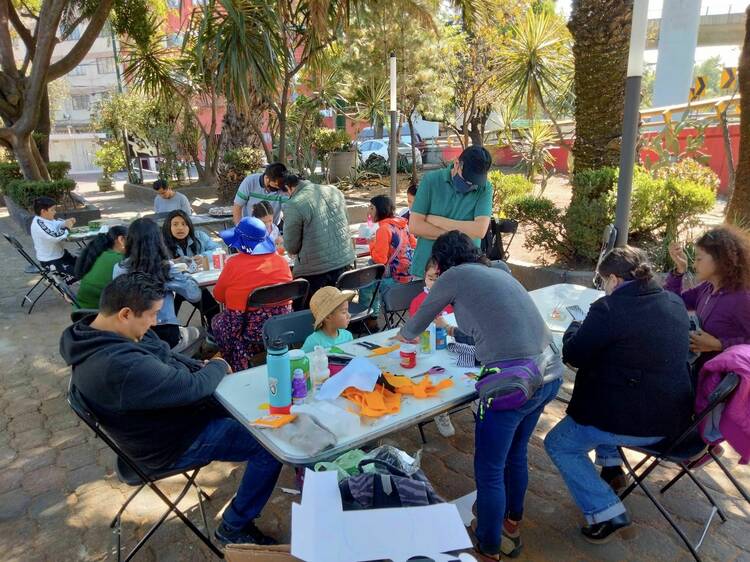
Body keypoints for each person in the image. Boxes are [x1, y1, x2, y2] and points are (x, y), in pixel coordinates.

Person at [59, 272, 282, 546]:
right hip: (169, 443)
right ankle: (234, 526)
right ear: (125, 313)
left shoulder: (95, 331)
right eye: (152, 314)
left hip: (162, 423)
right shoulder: (119, 365)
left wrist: (197, 369)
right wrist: (217, 365)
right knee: (269, 446)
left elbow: (164, 352)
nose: (155, 321)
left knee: (252, 410)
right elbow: (190, 388)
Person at [396, 231, 563, 560]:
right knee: (515, 454)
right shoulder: (497, 271)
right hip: (550, 373)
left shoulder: (454, 275)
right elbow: (493, 327)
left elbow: (414, 326)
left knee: (489, 469)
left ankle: (488, 546)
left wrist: (401, 340)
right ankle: (510, 524)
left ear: (442, 263)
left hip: (511, 385)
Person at [544, 247, 693, 546]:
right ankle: (611, 467)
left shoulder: (608, 310)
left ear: (613, 279)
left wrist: (576, 326)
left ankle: (606, 512)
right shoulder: (673, 301)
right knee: (608, 393)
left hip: (638, 423)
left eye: (603, 282)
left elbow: (573, 353)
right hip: (674, 417)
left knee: (558, 443)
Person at [212, 217, 293, 372]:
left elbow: (218, 296)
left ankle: (235, 364)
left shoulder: (233, 264)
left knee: (219, 322)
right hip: (282, 326)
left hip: (249, 329)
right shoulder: (281, 261)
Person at [667, 226, 750, 374]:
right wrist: (679, 270)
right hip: (702, 376)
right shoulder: (707, 288)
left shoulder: (741, 298)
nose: (694, 264)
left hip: (725, 387)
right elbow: (673, 304)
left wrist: (719, 345)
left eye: (699, 258)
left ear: (720, 260)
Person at [113, 218, 201, 349]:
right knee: (199, 332)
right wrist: (185, 273)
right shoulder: (165, 268)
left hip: (133, 333)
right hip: (165, 333)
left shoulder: (119, 268)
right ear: (159, 242)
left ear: (129, 241)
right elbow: (195, 294)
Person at [408, 146, 493, 278]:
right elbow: (415, 226)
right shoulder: (431, 181)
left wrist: (437, 221)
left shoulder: (485, 188)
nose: (470, 184)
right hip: (428, 271)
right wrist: (459, 239)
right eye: (466, 179)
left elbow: (480, 230)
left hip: (465, 270)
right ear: (457, 163)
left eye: (474, 182)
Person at [282, 174, 356, 307]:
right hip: (344, 263)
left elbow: (291, 247)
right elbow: (345, 222)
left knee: (303, 307)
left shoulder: (294, 204)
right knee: (339, 307)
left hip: (315, 272)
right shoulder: (334, 191)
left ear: (289, 188)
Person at [161, 210, 222, 325]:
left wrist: (203, 256)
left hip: (193, 284)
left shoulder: (199, 236)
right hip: (172, 287)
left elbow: (218, 249)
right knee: (167, 319)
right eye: (175, 224)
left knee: (213, 309)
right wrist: (173, 262)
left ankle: (211, 333)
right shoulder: (162, 243)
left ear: (189, 226)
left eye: (184, 224)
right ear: (168, 226)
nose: (180, 228)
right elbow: (156, 263)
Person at [359, 195, 416, 314]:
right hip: (409, 277)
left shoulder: (383, 229)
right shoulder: (403, 224)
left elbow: (380, 260)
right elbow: (414, 244)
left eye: (371, 208)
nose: (368, 210)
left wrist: (372, 244)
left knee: (364, 284)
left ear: (379, 209)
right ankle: (372, 316)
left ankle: (370, 318)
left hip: (393, 280)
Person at [73, 226, 128, 309]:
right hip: (96, 312)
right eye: (132, 240)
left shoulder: (100, 253)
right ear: (121, 240)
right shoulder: (119, 260)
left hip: (82, 308)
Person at [30, 196, 77, 276]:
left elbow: (56, 224)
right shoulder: (39, 224)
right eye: (52, 210)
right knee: (80, 272)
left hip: (61, 254)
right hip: (51, 260)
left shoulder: (46, 219)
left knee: (84, 265)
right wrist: (67, 228)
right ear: (43, 211)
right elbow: (55, 237)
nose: (55, 212)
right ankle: (55, 281)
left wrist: (65, 222)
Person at [232, 162, 288, 226]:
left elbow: (288, 212)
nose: (279, 188)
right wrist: (239, 227)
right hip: (249, 226)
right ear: (267, 179)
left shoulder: (283, 187)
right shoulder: (249, 182)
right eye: (276, 185)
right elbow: (237, 207)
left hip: (272, 228)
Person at [302, 286, 355, 353]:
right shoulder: (313, 342)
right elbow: (302, 358)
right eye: (344, 312)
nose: (349, 315)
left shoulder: (348, 336)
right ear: (328, 317)